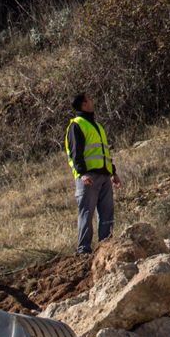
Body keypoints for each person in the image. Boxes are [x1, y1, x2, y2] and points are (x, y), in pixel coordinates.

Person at [66, 92, 121, 255]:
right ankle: (84, 250)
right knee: (87, 213)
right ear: (84, 104)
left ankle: (106, 247)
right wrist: (82, 174)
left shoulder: (96, 125)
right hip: (88, 177)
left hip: (104, 176)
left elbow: (104, 153)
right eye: (89, 99)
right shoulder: (77, 125)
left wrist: (113, 173)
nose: (92, 101)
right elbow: (76, 153)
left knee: (107, 213)